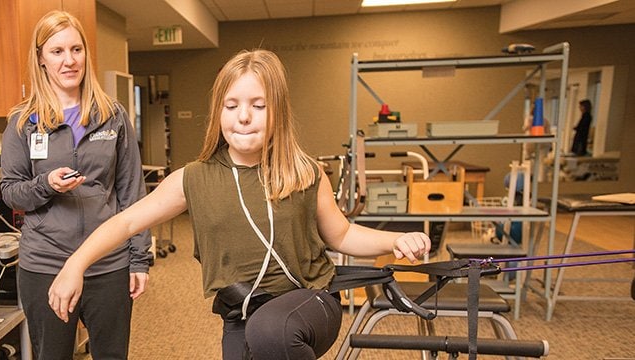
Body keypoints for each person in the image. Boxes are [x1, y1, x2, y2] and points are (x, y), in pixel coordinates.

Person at [48, 49, 430, 359]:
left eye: (258, 105)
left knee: (271, 333)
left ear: (277, 110)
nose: (243, 117)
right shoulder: (193, 178)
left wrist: (394, 241)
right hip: (241, 313)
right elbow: (125, 223)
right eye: (231, 106)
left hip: (310, 300)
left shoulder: (303, 172)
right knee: (257, 336)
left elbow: (342, 234)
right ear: (218, 113)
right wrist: (74, 265)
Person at [0, 10, 150, 360]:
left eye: (76, 49)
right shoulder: (23, 122)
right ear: (40, 58)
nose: (70, 61)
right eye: (57, 52)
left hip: (108, 261)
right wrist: (45, 185)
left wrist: (139, 259)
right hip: (47, 263)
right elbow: (11, 192)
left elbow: (132, 191)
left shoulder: (112, 115)